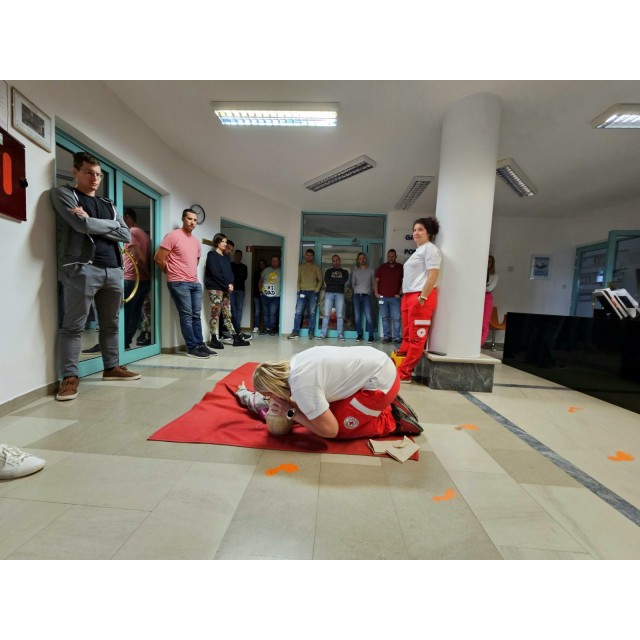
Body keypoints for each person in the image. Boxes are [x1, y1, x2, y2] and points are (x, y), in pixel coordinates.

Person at [50, 151, 141, 401]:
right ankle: (70, 377)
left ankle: (111, 368)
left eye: (98, 174)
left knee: (111, 324)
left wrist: (94, 222)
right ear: (75, 172)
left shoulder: (108, 204)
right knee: (73, 326)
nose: (94, 178)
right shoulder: (64, 194)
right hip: (82, 268)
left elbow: (126, 235)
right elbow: (81, 225)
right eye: (89, 173)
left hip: (113, 269)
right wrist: (108, 225)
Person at [253, 346, 422, 439]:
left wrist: (290, 412)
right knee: (323, 416)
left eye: (269, 395)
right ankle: (376, 407)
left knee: (338, 429)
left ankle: (392, 419)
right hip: (380, 364)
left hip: (383, 384)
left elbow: (330, 430)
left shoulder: (301, 387)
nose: (270, 399)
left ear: (274, 387)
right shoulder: (295, 362)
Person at [155, 209, 212, 359]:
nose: (192, 222)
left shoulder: (196, 241)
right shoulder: (173, 236)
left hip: (194, 283)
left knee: (196, 316)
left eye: (195, 220)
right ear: (183, 219)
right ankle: (192, 348)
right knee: (186, 316)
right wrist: (171, 273)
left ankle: (200, 345)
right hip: (179, 283)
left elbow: (195, 261)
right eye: (189, 219)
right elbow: (159, 259)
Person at [396, 217, 442, 383]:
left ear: (429, 233)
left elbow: (433, 275)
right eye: (414, 229)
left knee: (417, 338)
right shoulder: (418, 251)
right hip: (408, 296)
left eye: (420, 229)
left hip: (420, 296)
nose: (416, 232)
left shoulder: (431, 249)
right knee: (407, 335)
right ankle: (400, 366)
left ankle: (405, 373)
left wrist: (422, 297)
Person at [204, 233, 250, 348]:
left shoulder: (226, 257)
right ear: (217, 242)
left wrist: (231, 284)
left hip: (225, 289)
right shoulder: (212, 255)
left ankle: (236, 338)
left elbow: (229, 273)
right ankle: (213, 339)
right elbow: (215, 273)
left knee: (227, 314)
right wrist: (226, 285)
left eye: (225, 242)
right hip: (215, 288)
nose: (225, 244)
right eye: (223, 242)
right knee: (215, 314)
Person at [122, 208, 151, 350]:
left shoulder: (132, 232)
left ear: (128, 217)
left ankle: (122, 342)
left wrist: (146, 272)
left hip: (132, 278)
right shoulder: (144, 234)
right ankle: (125, 342)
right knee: (134, 312)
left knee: (126, 312)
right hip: (141, 280)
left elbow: (138, 256)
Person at [288, 248, 322, 339]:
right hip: (302, 292)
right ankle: (295, 332)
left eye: (310, 256)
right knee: (298, 313)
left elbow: (320, 280)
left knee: (312, 313)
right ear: (305, 256)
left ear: (313, 257)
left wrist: (317, 290)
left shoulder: (316, 267)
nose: (309, 257)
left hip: (313, 293)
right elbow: (298, 280)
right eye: (307, 255)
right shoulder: (301, 267)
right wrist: (298, 290)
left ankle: (311, 333)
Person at [375, 249, 403, 345]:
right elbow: (376, 281)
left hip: (395, 298)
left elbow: (404, 281)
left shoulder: (400, 267)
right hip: (383, 298)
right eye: (389, 256)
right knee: (385, 318)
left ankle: (397, 337)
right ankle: (386, 337)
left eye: (392, 256)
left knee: (397, 318)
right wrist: (376, 293)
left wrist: (400, 293)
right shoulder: (382, 267)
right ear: (387, 257)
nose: (390, 258)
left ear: (395, 257)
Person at [318, 254, 349, 341]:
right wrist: (338, 282)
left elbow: (343, 281)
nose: (336, 262)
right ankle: (323, 334)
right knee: (326, 314)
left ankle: (340, 334)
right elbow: (327, 281)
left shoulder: (345, 272)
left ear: (340, 261)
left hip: (340, 294)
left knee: (340, 315)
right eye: (334, 260)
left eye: (337, 260)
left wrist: (334, 282)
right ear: (332, 262)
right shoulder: (328, 271)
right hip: (329, 293)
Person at [351, 252, 375, 343]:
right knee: (357, 317)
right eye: (360, 258)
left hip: (366, 296)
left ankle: (371, 336)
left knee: (369, 316)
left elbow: (373, 284)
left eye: (363, 258)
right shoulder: (355, 272)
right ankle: (359, 335)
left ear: (366, 259)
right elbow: (353, 284)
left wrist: (368, 291)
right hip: (356, 296)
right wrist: (358, 291)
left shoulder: (371, 271)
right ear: (358, 260)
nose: (362, 260)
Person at [230, 248, 252, 341]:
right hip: (231, 289)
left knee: (239, 308)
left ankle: (237, 326)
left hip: (240, 290)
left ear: (241, 257)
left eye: (240, 255)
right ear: (234, 256)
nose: (238, 257)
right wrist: (238, 275)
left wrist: (236, 276)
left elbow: (244, 277)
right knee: (232, 308)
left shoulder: (244, 266)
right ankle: (233, 327)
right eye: (236, 255)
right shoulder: (230, 265)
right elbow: (230, 276)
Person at [259, 255, 282, 336]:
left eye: (276, 261)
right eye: (273, 261)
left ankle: (272, 328)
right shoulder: (266, 270)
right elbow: (260, 281)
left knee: (273, 313)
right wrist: (260, 291)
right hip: (265, 296)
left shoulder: (282, 271)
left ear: (279, 262)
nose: (275, 262)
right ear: (271, 262)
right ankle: (267, 328)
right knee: (265, 314)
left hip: (275, 297)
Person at [481, 255, 499, 346]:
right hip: (478, 297)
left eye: (490, 262)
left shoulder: (495, 276)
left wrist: (480, 287)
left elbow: (489, 289)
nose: (488, 263)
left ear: (492, 264)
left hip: (487, 298)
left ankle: (479, 344)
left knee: (485, 323)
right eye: (486, 261)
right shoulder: (480, 273)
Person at [253, 258, 267, 333]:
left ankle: (265, 327)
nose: (261, 265)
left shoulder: (268, 272)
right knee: (257, 311)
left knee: (265, 311)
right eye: (260, 264)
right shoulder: (256, 273)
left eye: (263, 263)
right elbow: (255, 283)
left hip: (266, 295)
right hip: (257, 295)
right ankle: (256, 326)